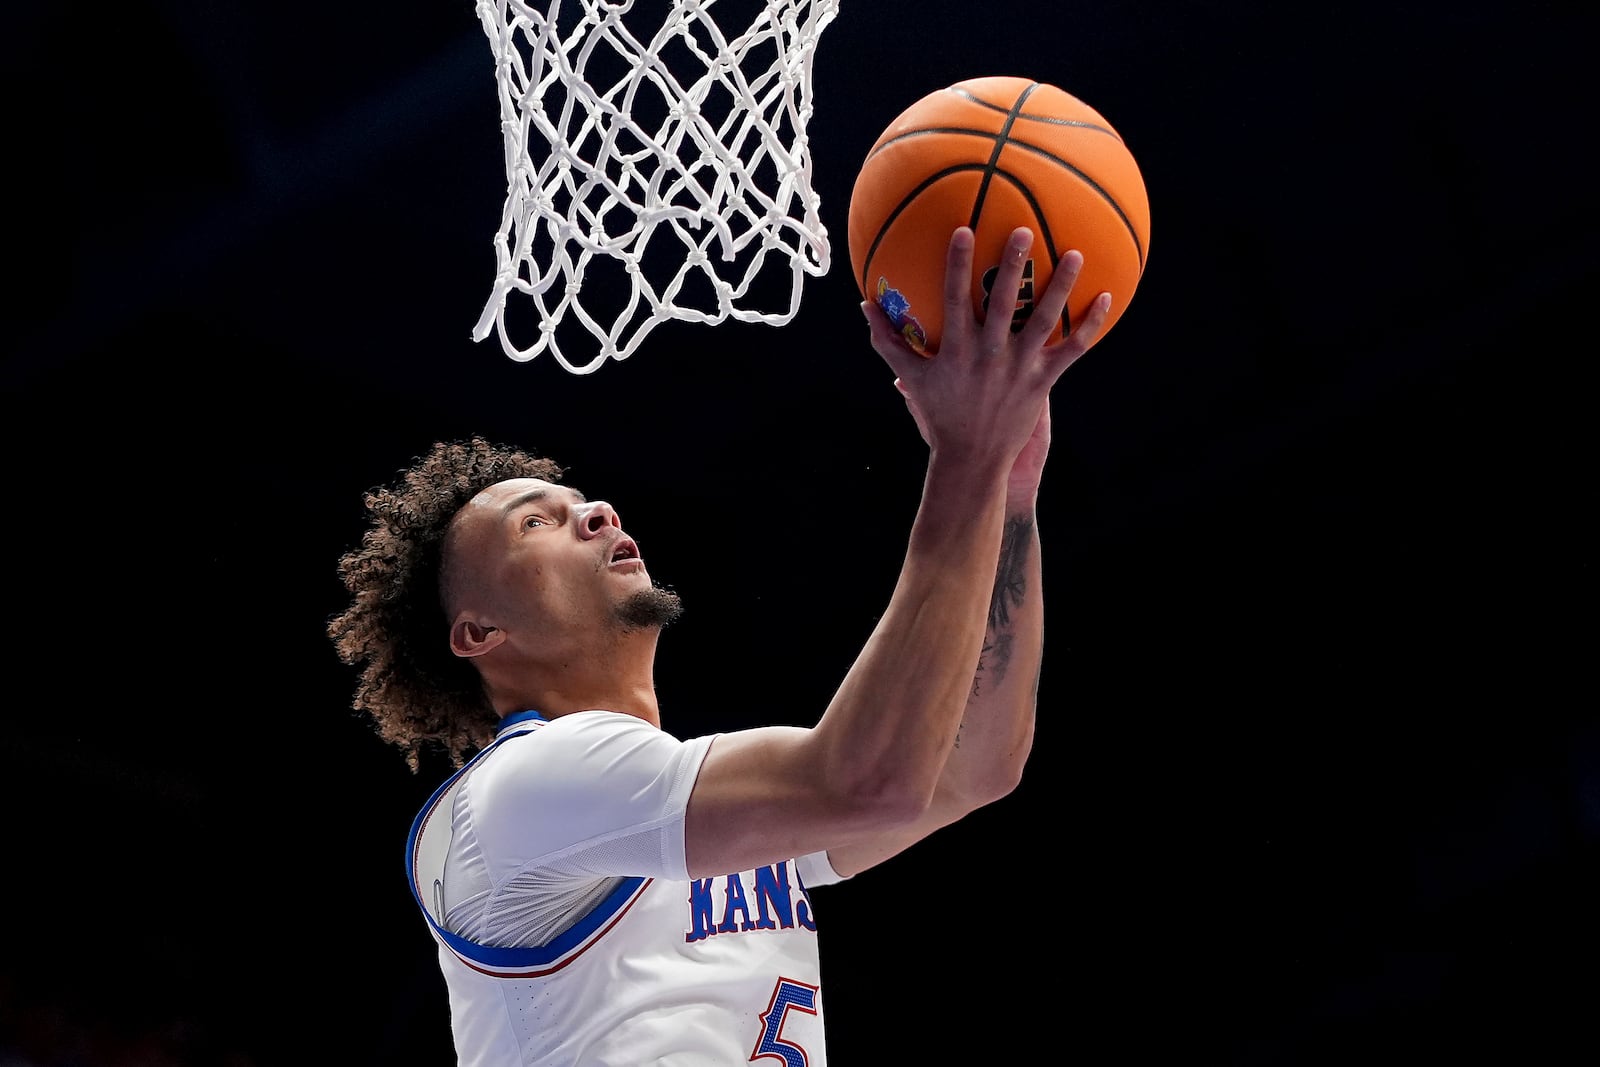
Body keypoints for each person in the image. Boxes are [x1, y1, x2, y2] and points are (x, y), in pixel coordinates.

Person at [327, 225, 1112, 1066]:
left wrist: (1008, 490)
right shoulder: (523, 790)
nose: (599, 513)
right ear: (480, 634)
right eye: (537, 523)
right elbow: (868, 779)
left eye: (586, 500)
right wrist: (967, 455)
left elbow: (973, 766)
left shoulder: (676, 809)